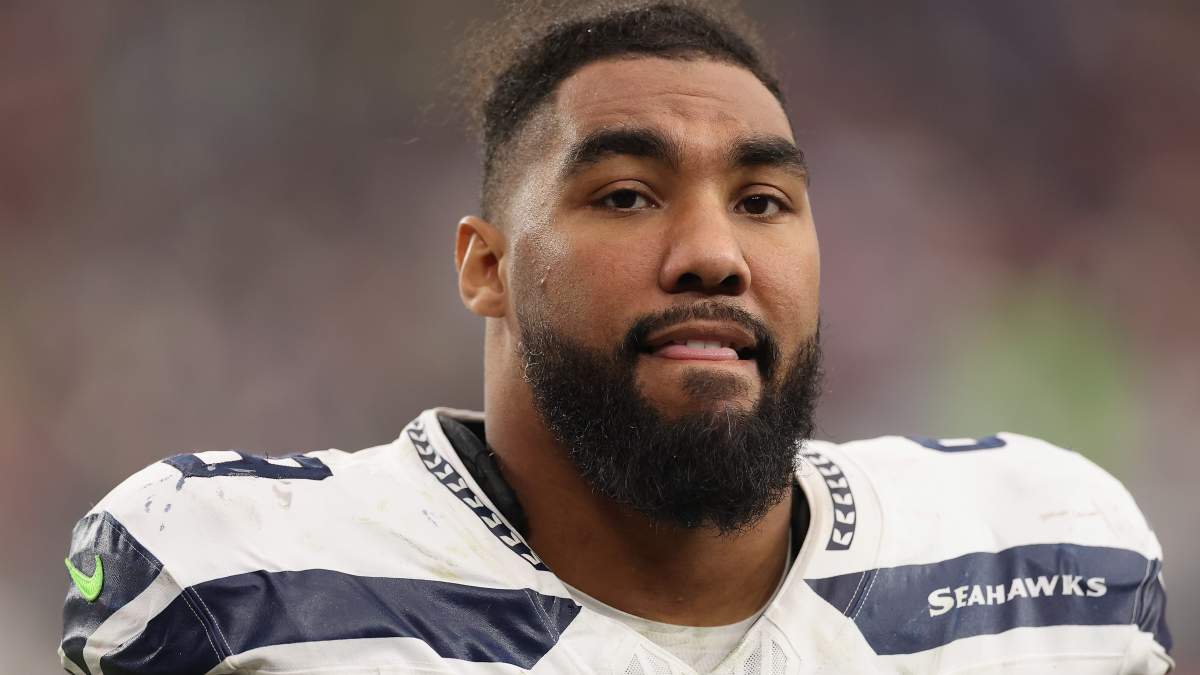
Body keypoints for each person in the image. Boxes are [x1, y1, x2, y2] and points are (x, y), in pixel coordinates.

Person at [59, 2, 1172, 673]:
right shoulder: (240, 581)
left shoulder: (1048, 564)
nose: (714, 254)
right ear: (486, 266)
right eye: (629, 195)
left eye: (764, 202)